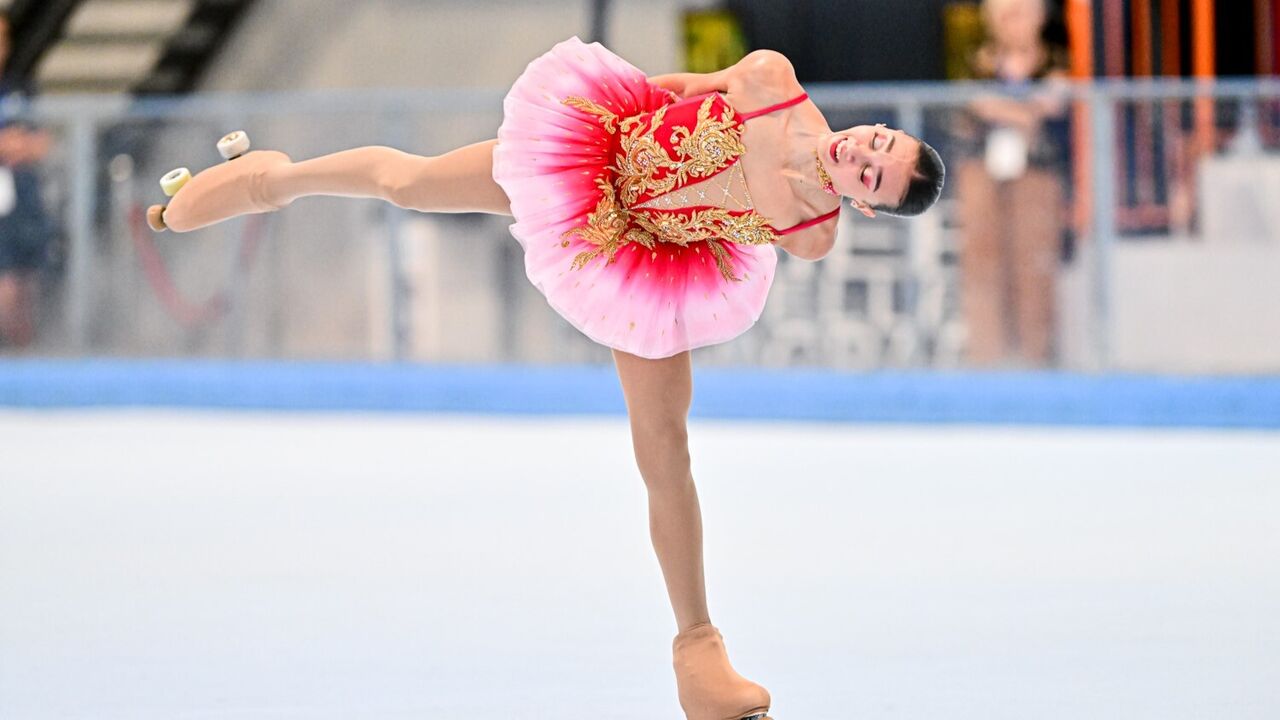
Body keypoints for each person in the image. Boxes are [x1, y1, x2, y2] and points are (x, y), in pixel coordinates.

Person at [152, 36, 945, 720]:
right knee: (411, 183)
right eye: (877, 142)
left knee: (665, 447)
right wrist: (634, 127)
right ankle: (269, 180)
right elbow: (672, 88)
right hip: (586, 171)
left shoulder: (811, 232)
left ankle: (699, 653)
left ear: (866, 207)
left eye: (873, 175)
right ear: (875, 126)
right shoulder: (771, 79)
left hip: (648, 257)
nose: (861, 154)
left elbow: (746, 216)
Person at [953, 0, 1069, 367]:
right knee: (983, 264)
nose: (1011, 25)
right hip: (983, 169)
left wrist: (1007, 110)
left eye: (1018, 15)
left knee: (1033, 262)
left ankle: (1037, 357)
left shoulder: (1053, 62)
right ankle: (987, 358)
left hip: (1035, 172)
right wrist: (1024, 114)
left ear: (1038, 18)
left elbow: (1054, 102)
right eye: (1004, 17)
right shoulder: (979, 63)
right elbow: (976, 104)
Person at [0, 12, 56, 349]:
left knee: (27, 278)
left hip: (23, 198)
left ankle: (22, 351)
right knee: (5, 280)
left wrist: (20, 145)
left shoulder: (20, 88)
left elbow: (41, 142)